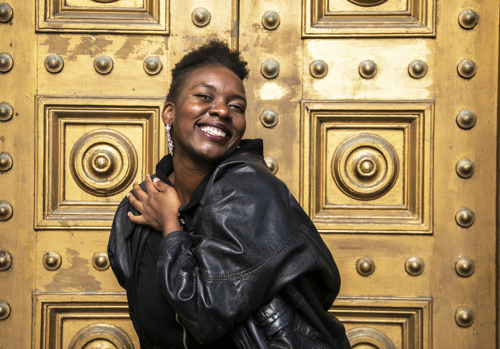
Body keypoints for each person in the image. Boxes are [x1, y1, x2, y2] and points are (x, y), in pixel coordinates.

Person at [108, 40, 350, 349]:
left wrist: (171, 226)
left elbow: (204, 314)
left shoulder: (251, 191)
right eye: (204, 97)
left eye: (236, 107)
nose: (222, 110)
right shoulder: (136, 212)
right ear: (169, 112)